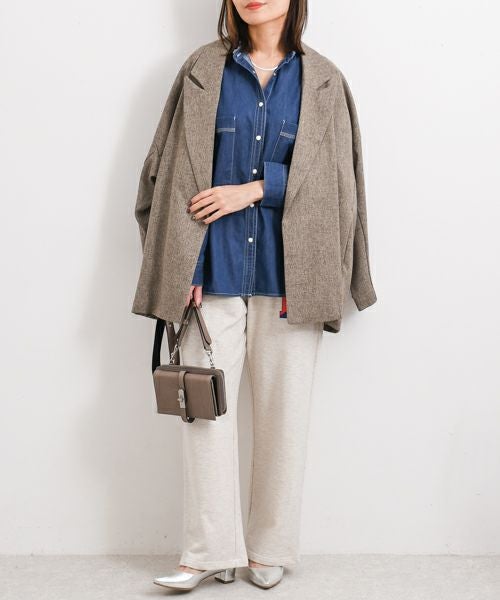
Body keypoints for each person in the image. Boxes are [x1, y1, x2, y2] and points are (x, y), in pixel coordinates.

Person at [132, 0, 377, 591]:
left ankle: (269, 549)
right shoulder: (201, 70)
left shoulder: (323, 79)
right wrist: (180, 263)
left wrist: (253, 190)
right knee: (203, 414)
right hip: (209, 271)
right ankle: (207, 552)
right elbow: (166, 171)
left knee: (284, 421)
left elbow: (336, 179)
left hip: (293, 275)